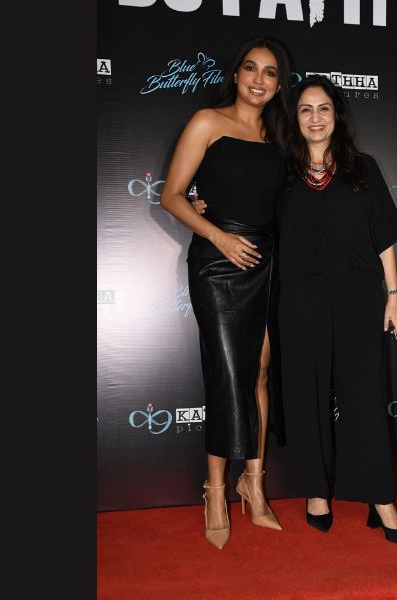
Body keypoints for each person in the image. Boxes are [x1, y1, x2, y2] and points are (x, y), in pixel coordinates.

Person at [159, 37, 291, 550]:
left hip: (266, 261)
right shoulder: (207, 122)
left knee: (259, 370)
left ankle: (253, 484)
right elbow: (172, 195)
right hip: (218, 261)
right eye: (250, 69)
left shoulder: (282, 137)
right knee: (227, 373)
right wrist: (219, 236)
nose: (259, 79)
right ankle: (214, 489)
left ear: (279, 84)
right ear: (236, 74)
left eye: (270, 73)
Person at [277, 74, 397, 547]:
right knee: (305, 395)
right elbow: (249, 213)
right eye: (306, 109)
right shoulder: (281, 173)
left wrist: (394, 295)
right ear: (295, 119)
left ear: (337, 116)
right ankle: (317, 491)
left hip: (358, 297)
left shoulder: (362, 168)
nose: (315, 118)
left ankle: (380, 498)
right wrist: (203, 202)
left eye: (324, 109)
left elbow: (383, 237)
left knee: (365, 398)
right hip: (299, 300)